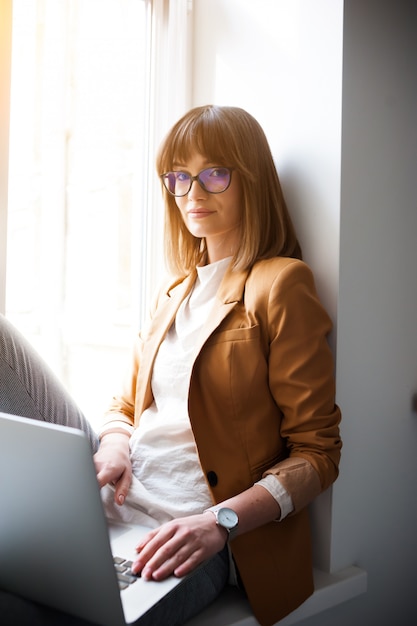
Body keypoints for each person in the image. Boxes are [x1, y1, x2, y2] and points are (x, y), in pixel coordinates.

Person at [0, 104, 342, 626]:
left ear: (251, 179)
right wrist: (114, 443)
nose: (193, 193)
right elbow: (125, 402)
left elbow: (317, 453)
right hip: (107, 498)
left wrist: (219, 522)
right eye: (179, 176)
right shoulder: (175, 289)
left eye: (215, 173)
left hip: (186, 536)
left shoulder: (280, 283)